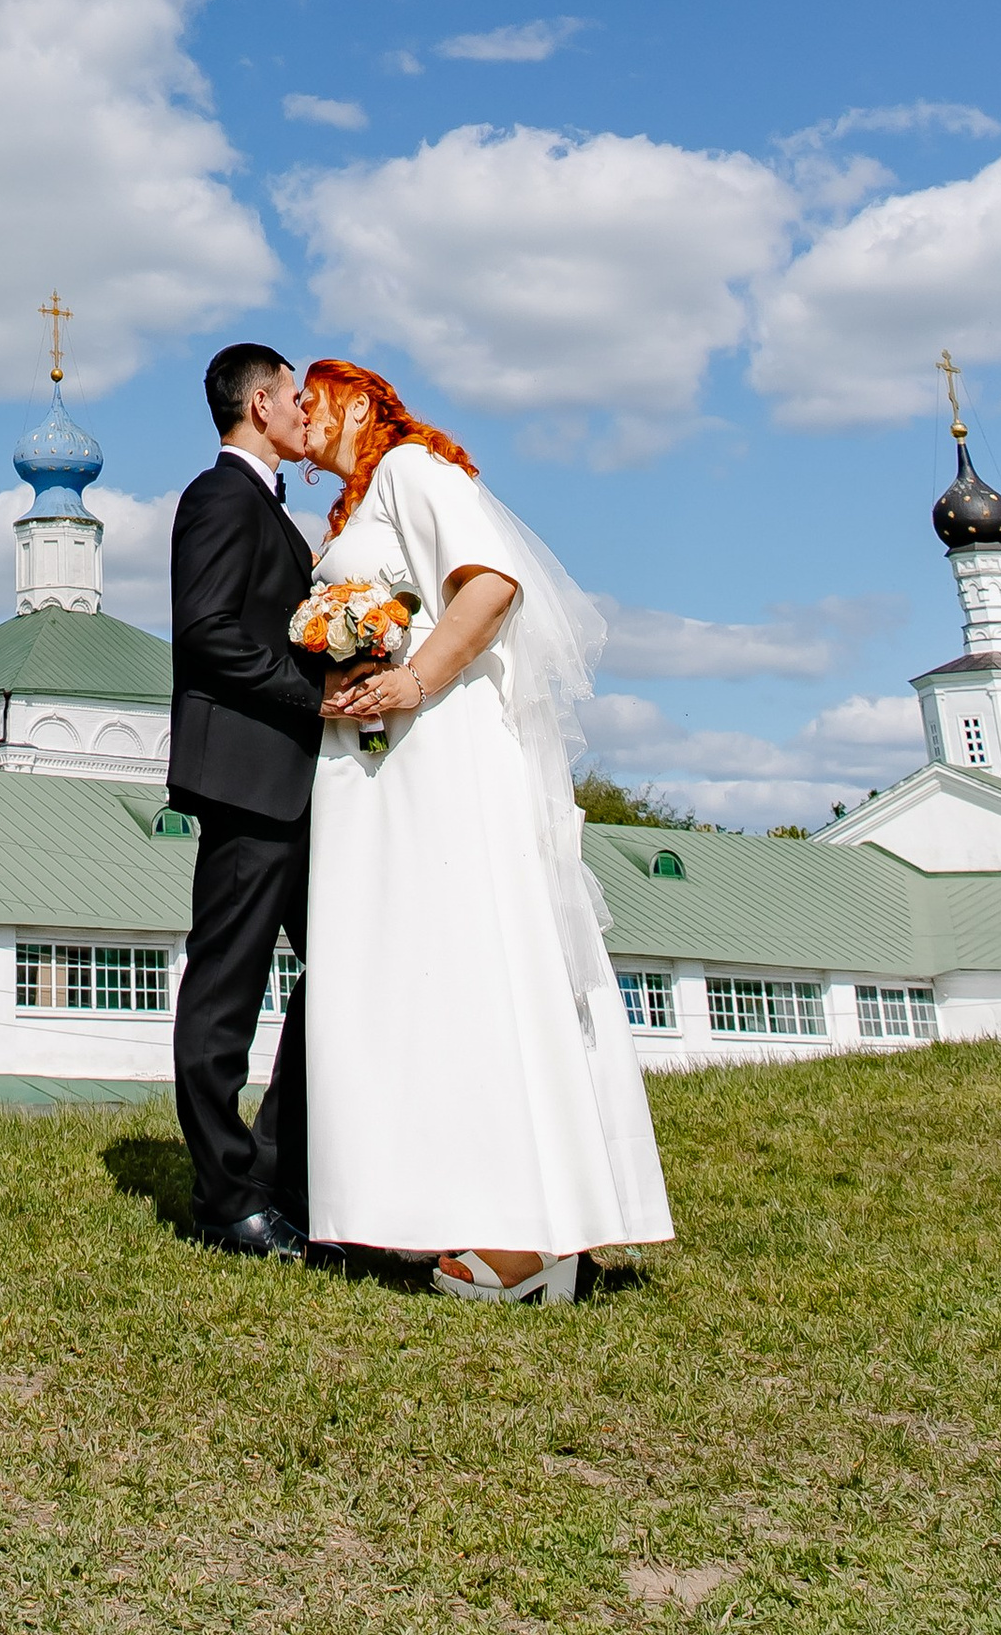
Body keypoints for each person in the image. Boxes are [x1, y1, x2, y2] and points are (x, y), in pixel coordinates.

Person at [297, 357, 672, 1301]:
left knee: (470, 959)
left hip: (437, 751)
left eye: (310, 397)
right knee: (409, 974)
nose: (297, 415)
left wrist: (412, 681)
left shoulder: (415, 470)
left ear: (355, 399)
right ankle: (438, 1207)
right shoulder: (354, 506)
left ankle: (526, 1231)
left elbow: (491, 584)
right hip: (382, 762)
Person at [164, 339, 326, 1258]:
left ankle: (277, 1166)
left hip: (300, 791)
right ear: (260, 404)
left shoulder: (272, 511)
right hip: (246, 783)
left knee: (335, 975)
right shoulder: (218, 496)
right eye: (296, 398)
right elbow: (209, 633)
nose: (307, 412)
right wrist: (316, 695)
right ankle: (225, 1200)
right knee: (225, 994)